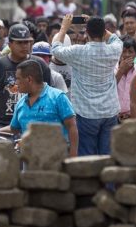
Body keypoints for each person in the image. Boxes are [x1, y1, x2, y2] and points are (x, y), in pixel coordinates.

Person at [51, 14, 122, 155]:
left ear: (86, 33)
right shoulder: (114, 50)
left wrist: (64, 27)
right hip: (110, 111)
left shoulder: (78, 51)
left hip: (86, 113)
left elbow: (56, 50)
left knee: (87, 158)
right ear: (103, 32)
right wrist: (97, 25)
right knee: (107, 156)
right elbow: (115, 38)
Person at [0, 60, 78, 157]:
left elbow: (72, 126)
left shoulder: (57, 97)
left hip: (56, 159)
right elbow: (14, 128)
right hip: (30, 161)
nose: (16, 83)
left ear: (29, 79)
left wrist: (72, 155)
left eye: (18, 79)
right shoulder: (21, 103)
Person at [0, 24, 51, 132]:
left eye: (26, 42)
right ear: (10, 44)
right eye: (19, 42)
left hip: (34, 124)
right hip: (3, 125)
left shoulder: (39, 65)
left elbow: (49, 95)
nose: (24, 46)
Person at [115, 38, 136, 121]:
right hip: (114, 118)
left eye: (130, 52)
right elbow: (108, 89)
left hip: (133, 117)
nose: (127, 55)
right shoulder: (111, 70)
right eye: (124, 51)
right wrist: (120, 71)